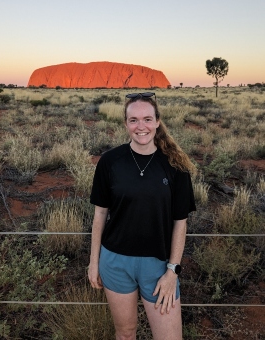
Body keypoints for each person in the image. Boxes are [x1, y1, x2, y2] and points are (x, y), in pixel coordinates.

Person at [88, 92, 196, 340]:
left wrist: (172, 272)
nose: (141, 126)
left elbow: (180, 222)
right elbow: (100, 214)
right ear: (126, 124)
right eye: (133, 120)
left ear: (157, 121)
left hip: (158, 266)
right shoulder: (110, 162)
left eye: (147, 119)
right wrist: (94, 262)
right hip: (115, 262)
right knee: (125, 333)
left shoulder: (176, 165)